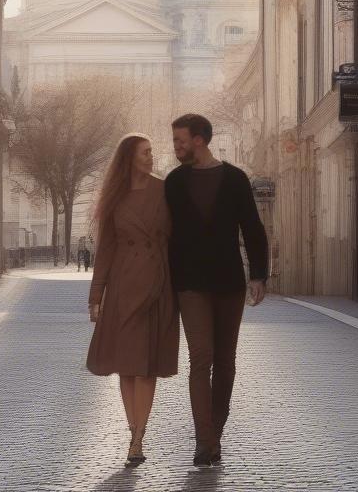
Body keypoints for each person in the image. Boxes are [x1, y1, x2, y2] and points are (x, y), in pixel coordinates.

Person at [165, 113, 268, 467]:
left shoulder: (235, 178)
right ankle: (203, 440)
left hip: (228, 282)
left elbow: (252, 228)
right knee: (201, 357)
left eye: (180, 140)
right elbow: (165, 234)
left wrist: (259, 275)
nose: (175, 146)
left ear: (199, 140)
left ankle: (214, 435)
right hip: (190, 283)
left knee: (226, 362)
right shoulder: (174, 182)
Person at [86, 134, 179, 466]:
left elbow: (178, 238)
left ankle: (138, 437)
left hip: (157, 284)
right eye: (145, 153)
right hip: (123, 286)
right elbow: (106, 250)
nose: (151, 157)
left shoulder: (164, 190)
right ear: (129, 158)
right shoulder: (114, 197)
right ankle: (134, 431)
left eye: (152, 152)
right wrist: (95, 296)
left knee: (147, 366)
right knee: (127, 366)